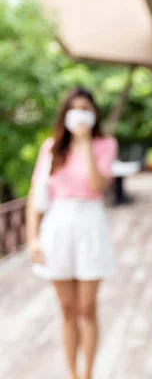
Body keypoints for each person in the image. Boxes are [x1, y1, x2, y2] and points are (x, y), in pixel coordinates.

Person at [26, 87, 118, 379]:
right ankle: (72, 374)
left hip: (90, 223)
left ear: (95, 114)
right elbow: (36, 196)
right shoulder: (52, 148)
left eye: (86, 108)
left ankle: (88, 374)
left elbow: (97, 186)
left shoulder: (105, 145)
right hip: (57, 225)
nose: (80, 114)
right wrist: (32, 238)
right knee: (67, 309)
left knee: (86, 308)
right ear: (65, 113)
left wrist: (86, 143)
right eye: (74, 108)